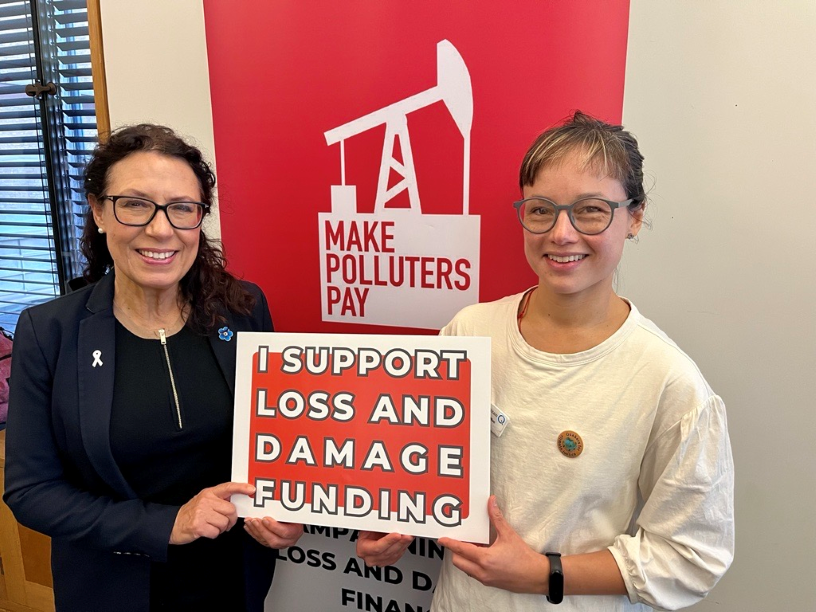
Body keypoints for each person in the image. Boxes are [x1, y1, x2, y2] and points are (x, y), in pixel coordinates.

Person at [357, 111, 734, 611]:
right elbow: (412, 459)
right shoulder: (469, 331)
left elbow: (693, 557)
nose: (561, 233)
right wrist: (385, 519)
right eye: (541, 210)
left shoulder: (669, 382)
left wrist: (545, 574)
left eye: (591, 211)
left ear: (635, 216)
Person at [3, 124, 303, 611]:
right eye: (135, 204)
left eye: (182, 208)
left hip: (233, 582)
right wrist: (167, 524)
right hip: (113, 588)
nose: (160, 229)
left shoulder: (244, 310)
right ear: (100, 211)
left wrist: (284, 510)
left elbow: (277, 440)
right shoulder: (49, 332)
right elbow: (31, 490)